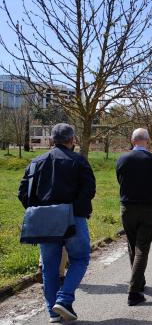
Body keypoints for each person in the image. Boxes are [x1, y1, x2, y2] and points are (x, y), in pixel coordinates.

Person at [18, 123, 95, 323]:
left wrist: (38, 211)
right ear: (72, 140)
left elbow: (23, 192)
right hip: (72, 218)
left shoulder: (36, 162)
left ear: (52, 140)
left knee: (50, 267)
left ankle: (53, 312)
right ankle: (64, 299)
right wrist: (75, 210)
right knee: (80, 258)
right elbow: (89, 190)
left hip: (45, 221)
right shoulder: (79, 162)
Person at [116, 128, 152, 306]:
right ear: (148, 140)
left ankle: (139, 281)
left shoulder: (122, 158)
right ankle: (134, 291)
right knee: (142, 248)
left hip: (127, 207)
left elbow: (119, 180)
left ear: (132, 140)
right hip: (147, 208)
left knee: (132, 245)